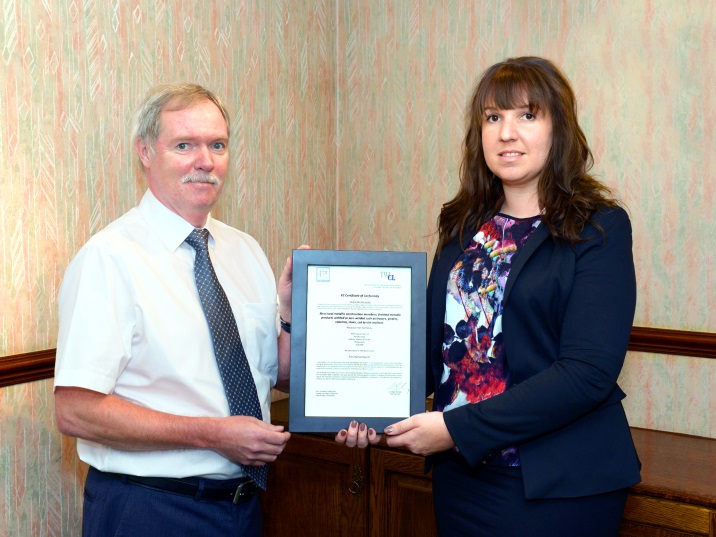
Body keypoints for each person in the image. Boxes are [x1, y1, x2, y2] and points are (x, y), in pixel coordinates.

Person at [338, 57, 641, 536]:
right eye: (493, 117)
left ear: (558, 129)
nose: (506, 133)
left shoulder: (599, 228)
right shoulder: (461, 227)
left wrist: (457, 429)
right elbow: (432, 351)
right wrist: (373, 411)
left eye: (527, 115)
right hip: (462, 477)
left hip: (557, 484)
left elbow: (587, 374)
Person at [54, 83, 298, 536]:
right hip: (148, 509)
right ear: (145, 152)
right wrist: (211, 434)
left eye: (217, 145)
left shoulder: (245, 251)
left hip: (242, 509)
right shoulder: (109, 259)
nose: (205, 160)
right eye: (184, 145)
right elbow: (74, 410)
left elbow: (276, 375)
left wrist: (287, 316)